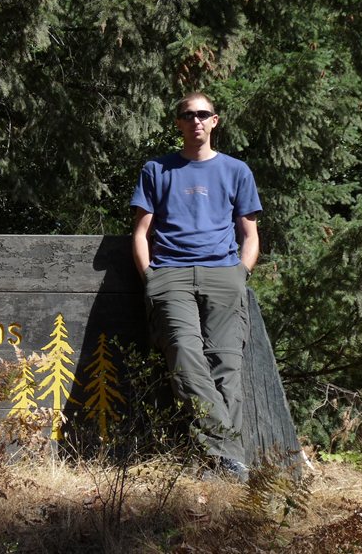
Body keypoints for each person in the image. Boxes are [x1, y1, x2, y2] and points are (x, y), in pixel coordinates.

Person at [130, 92, 262, 482]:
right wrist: (151, 278)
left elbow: (250, 234)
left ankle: (220, 468)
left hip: (223, 274)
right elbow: (140, 232)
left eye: (203, 114)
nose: (196, 121)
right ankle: (231, 457)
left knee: (226, 365)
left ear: (215, 121)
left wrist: (240, 273)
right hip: (170, 275)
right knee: (184, 357)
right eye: (188, 115)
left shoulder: (236, 170)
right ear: (179, 123)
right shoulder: (157, 169)